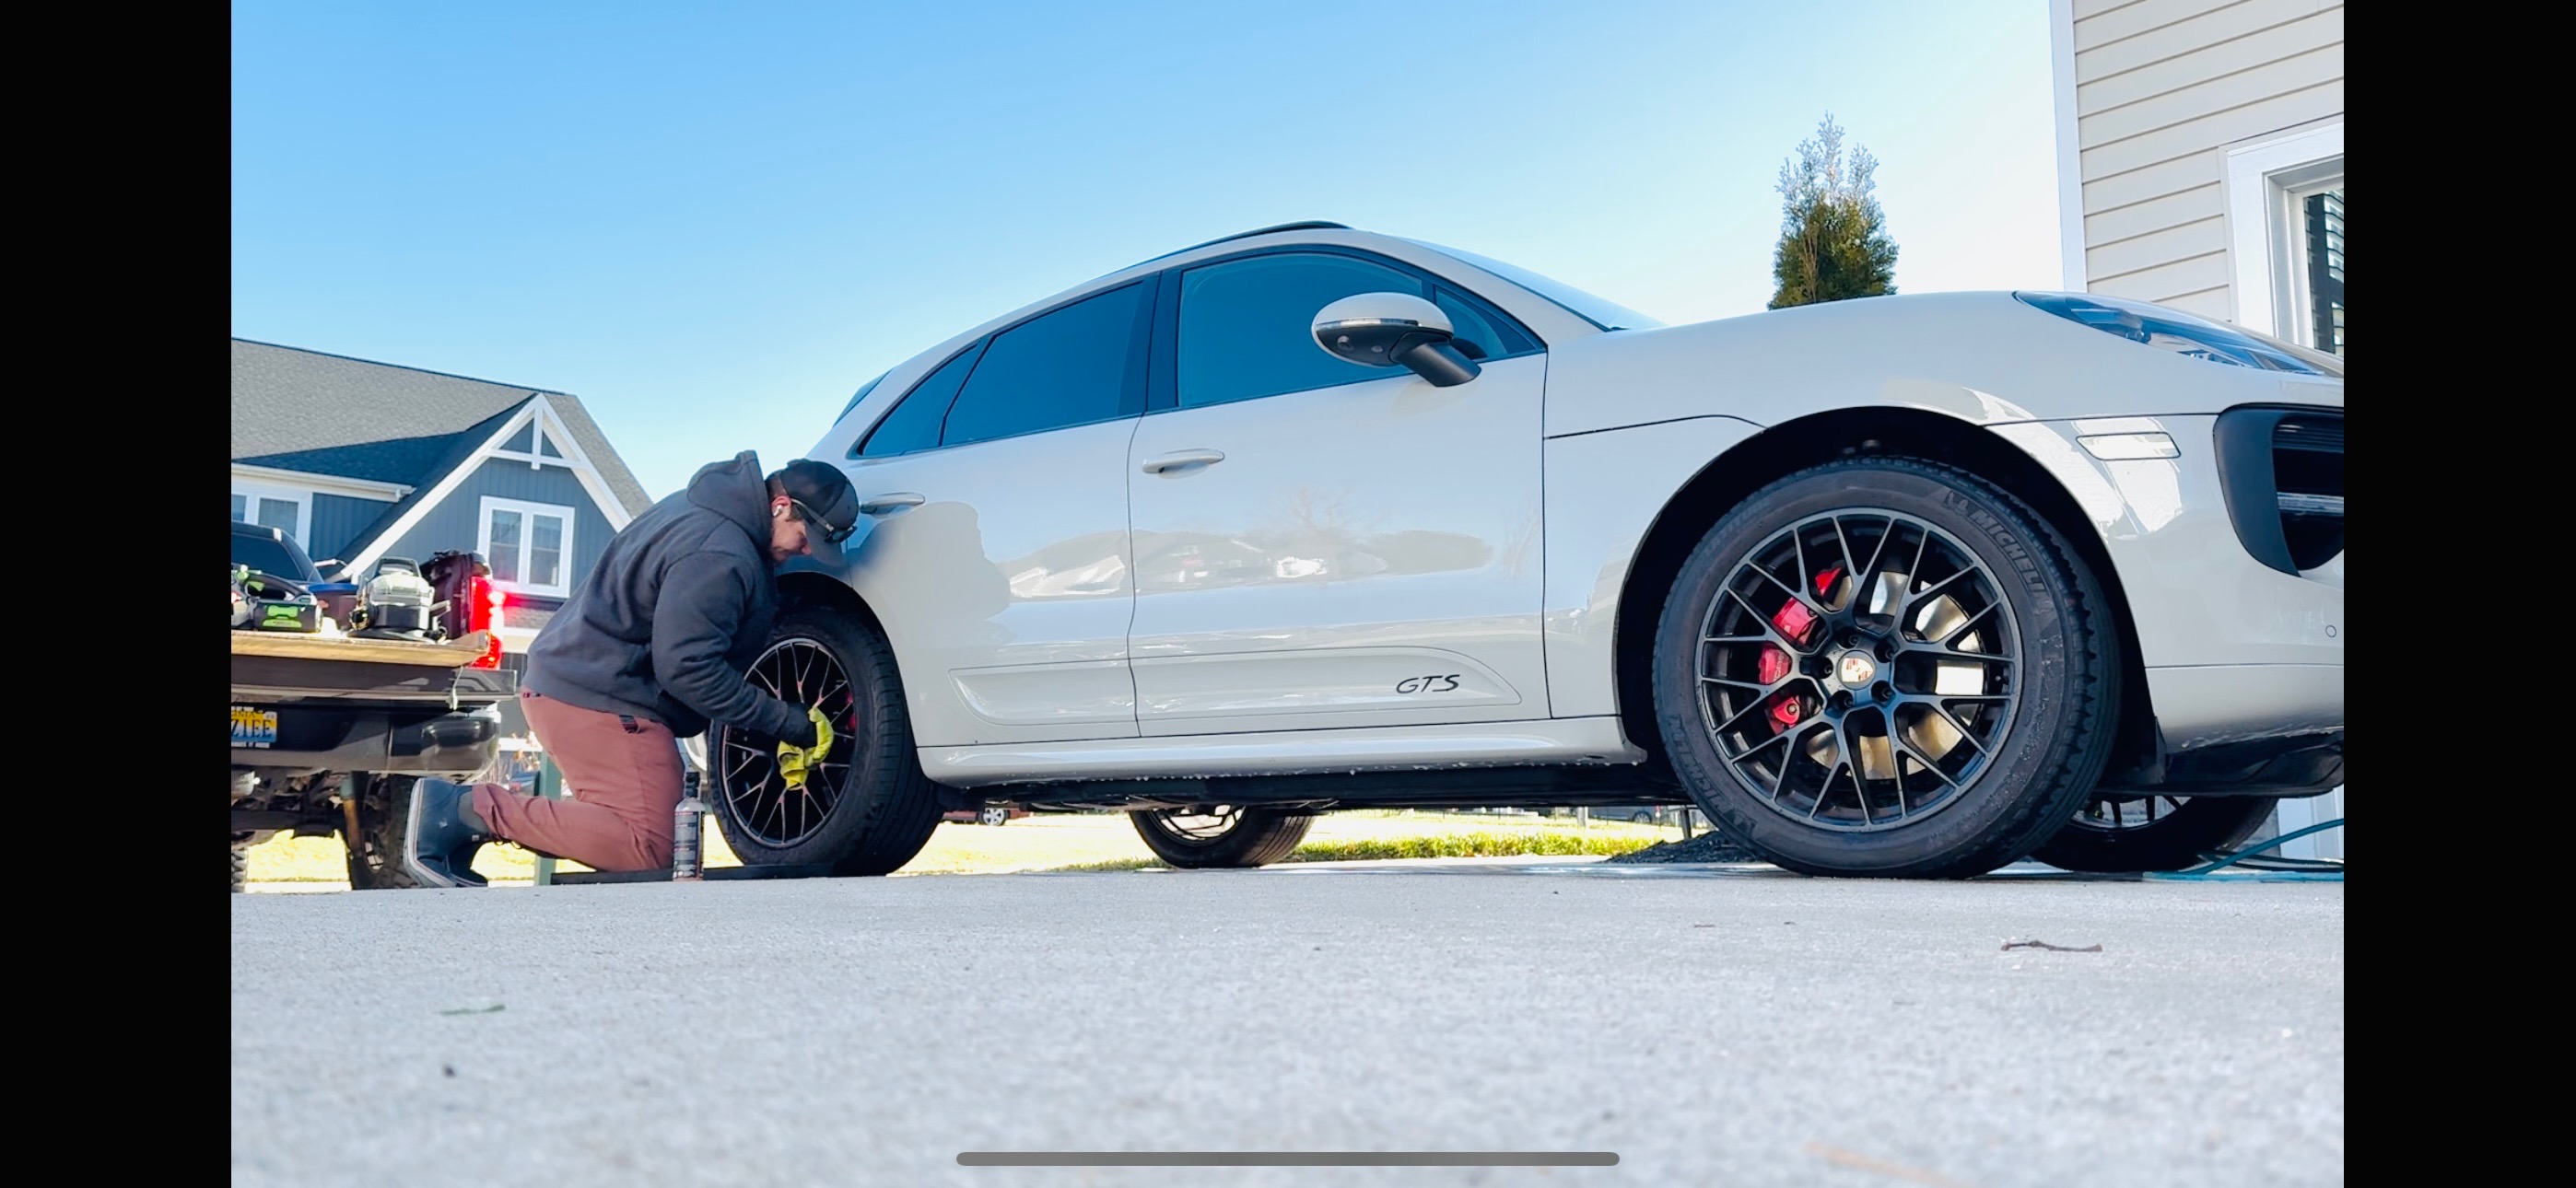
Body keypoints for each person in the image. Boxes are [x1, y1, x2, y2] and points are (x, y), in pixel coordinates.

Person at [383, 451, 862, 888]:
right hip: (598, 698)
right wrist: (783, 721)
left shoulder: (703, 511)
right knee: (649, 847)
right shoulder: (719, 554)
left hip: (579, 684)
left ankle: (459, 832)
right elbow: (689, 670)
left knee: (642, 834)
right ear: (781, 505)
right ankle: (464, 811)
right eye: (806, 537)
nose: (806, 551)